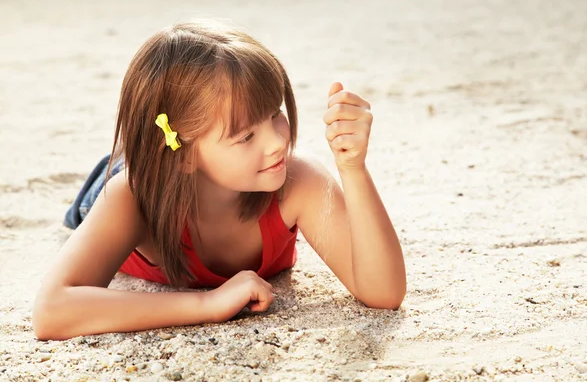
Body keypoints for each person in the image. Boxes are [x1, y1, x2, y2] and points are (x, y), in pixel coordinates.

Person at [32, 21, 406, 340]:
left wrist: (352, 167)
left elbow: (383, 293)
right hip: (142, 177)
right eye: (246, 136)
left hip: (182, 161)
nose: (278, 142)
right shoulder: (132, 199)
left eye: (275, 114)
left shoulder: (295, 181)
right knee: (112, 186)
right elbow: (51, 311)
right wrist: (207, 303)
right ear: (185, 154)